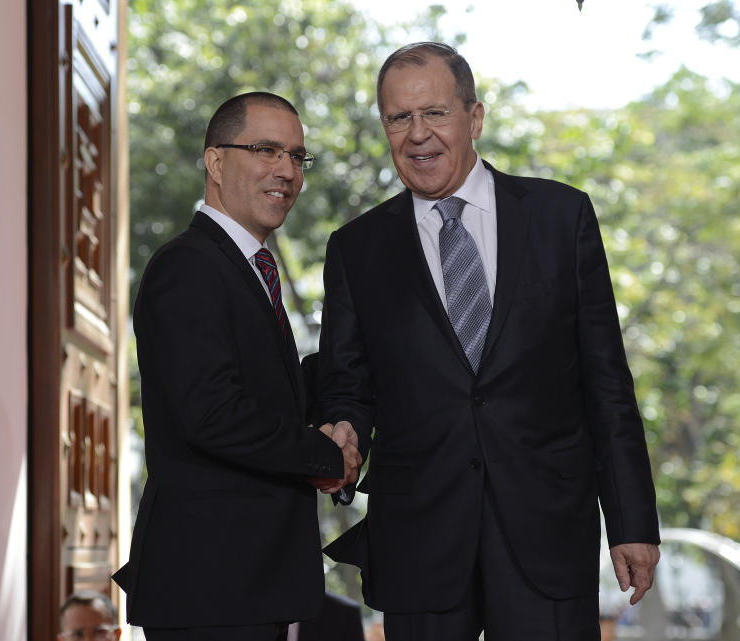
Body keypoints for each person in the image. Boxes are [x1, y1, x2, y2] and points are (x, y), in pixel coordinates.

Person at [318, 43, 661, 640]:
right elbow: (349, 384)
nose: (418, 133)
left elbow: (607, 382)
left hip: (547, 533)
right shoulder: (356, 248)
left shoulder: (562, 217)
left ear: (474, 118)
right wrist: (342, 428)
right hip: (419, 541)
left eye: (435, 113)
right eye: (400, 118)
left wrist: (632, 521)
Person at [112, 91, 361, 641]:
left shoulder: (248, 268)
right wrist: (326, 454)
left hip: (246, 586)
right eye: (266, 150)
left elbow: (271, 396)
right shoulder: (188, 267)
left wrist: (350, 382)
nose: (286, 171)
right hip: (211, 587)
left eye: (298, 157)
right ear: (216, 161)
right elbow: (214, 415)